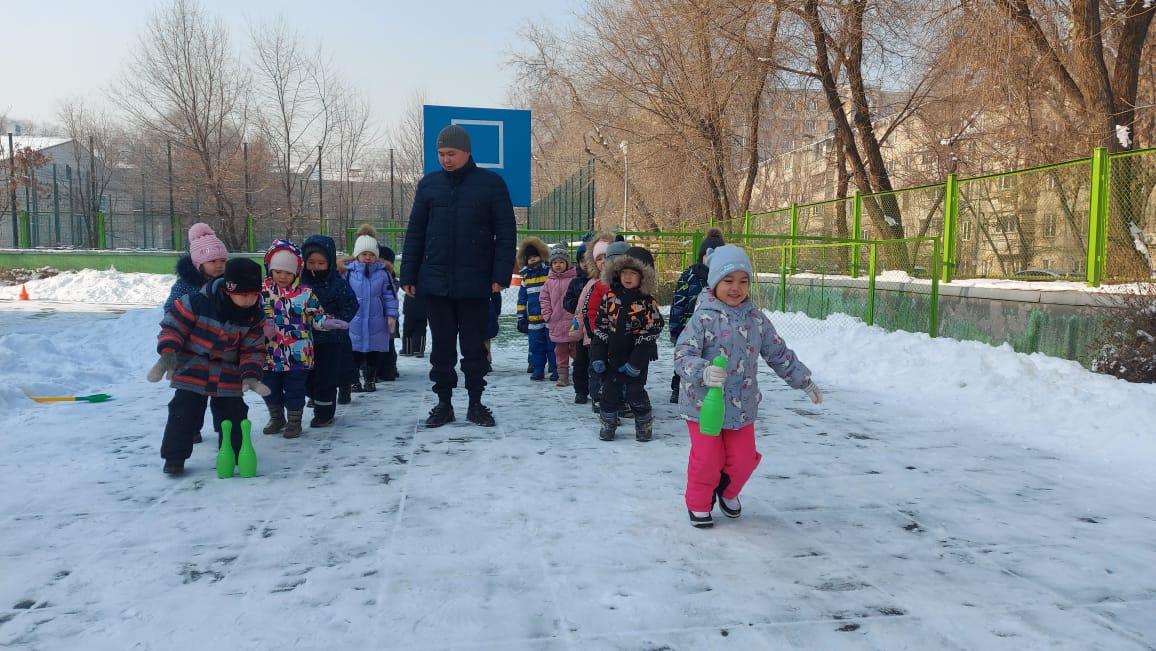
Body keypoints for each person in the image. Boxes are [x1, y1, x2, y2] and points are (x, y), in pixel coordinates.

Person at [674, 245, 823, 528]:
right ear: (715, 283)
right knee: (708, 459)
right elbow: (682, 356)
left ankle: (727, 492)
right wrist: (703, 372)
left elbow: (779, 353)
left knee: (743, 460)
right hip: (703, 406)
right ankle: (698, 502)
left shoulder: (756, 320)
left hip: (742, 407)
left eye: (743, 281)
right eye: (728, 281)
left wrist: (804, 380)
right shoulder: (702, 318)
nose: (736, 288)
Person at [401, 124, 516, 428]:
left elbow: (505, 234)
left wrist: (500, 274)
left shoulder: (491, 184)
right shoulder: (429, 185)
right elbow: (416, 233)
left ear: (467, 152)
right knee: (441, 348)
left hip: (476, 284)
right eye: (441, 154)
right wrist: (408, 273)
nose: (445, 159)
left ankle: (476, 404)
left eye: (451, 153)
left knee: (474, 348)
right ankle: (443, 404)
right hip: (435, 284)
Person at [147, 258, 270, 476]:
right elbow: (172, 326)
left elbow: (253, 349)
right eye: (244, 294)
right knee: (183, 411)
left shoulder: (254, 317)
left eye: (254, 294)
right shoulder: (196, 303)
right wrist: (168, 352)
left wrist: (250, 375)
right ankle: (174, 457)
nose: (250, 299)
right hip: (193, 367)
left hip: (228, 371)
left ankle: (235, 451)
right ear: (229, 289)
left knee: (234, 413)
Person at [590, 246, 664, 443]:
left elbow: (651, 333)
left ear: (643, 277)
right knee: (609, 393)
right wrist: (597, 356)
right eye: (624, 273)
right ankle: (608, 423)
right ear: (617, 274)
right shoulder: (610, 298)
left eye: (633, 273)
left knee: (635, 394)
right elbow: (601, 328)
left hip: (635, 360)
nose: (628, 277)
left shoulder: (648, 303)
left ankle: (644, 423)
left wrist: (636, 362)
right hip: (611, 357)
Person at [300, 234, 359, 427]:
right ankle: (315, 396)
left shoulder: (337, 283)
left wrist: (337, 320)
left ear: (330, 262)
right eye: (311, 262)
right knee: (308, 376)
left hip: (332, 340)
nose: (316, 267)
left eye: (321, 262)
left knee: (327, 377)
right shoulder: (299, 284)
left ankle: (324, 412)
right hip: (305, 340)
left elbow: (351, 304)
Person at [669, 228, 726, 403]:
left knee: (710, 358)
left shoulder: (724, 278)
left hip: (715, 330)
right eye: (707, 256)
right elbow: (678, 301)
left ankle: (709, 388)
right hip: (689, 328)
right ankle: (678, 388)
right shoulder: (690, 275)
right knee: (687, 357)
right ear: (701, 256)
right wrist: (675, 328)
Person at [343, 225, 398, 394]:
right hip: (354, 321)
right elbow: (342, 295)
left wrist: (391, 315)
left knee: (374, 352)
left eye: (371, 254)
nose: (367, 257)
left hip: (376, 321)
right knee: (354, 352)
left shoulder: (383, 273)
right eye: (364, 254)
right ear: (357, 255)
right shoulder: (348, 273)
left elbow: (390, 296)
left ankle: (370, 378)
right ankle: (354, 381)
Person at [579, 238, 629, 415]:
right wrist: (595, 332)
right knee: (599, 368)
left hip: (623, 338)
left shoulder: (630, 286)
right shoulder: (599, 286)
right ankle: (598, 397)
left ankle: (620, 400)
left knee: (620, 369)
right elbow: (589, 310)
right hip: (601, 335)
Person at [163, 222, 228, 314]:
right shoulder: (185, 285)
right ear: (199, 264)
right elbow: (171, 308)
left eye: (223, 260)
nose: (219, 265)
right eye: (212, 261)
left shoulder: (228, 282)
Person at [516, 237, 555, 381]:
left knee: (552, 345)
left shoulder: (549, 273)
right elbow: (521, 299)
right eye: (529, 257)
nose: (532, 259)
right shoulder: (525, 278)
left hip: (549, 317)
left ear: (541, 256)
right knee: (536, 346)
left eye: (535, 256)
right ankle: (537, 369)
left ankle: (554, 367)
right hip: (533, 319)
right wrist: (521, 317)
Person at [539, 244, 579, 387]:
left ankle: (579, 374)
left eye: (561, 262)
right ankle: (562, 375)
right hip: (556, 321)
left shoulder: (574, 279)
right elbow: (544, 299)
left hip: (573, 322)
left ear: (567, 263)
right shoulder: (549, 282)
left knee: (576, 350)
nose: (558, 265)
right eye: (555, 262)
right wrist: (547, 315)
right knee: (560, 351)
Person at [377, 244, 401, 382]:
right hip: (377, 319)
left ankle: (388, 369)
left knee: (388, 346)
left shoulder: (389, 279)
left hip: (387, 319)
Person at [400, 293, 427, 358]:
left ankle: (407, 350)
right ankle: (419, 350)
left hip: (409, 305)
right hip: (423, 305)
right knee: (421, 329)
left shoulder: (409, 283)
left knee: (408, 329)